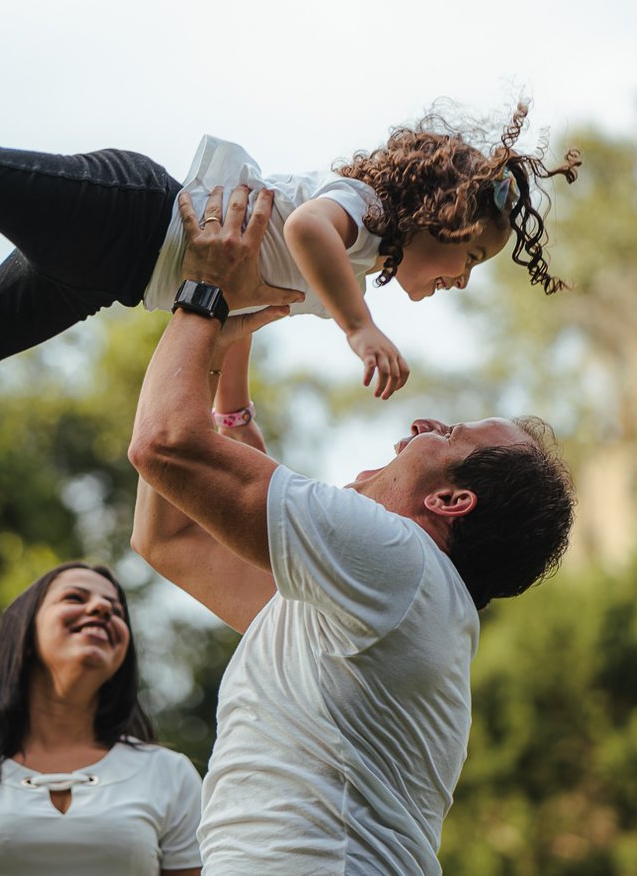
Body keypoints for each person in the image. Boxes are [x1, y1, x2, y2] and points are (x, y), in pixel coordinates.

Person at [0, 0, 580, 428]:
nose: (457, 282)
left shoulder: (334, 273)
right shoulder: (359, 213)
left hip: (115, 273)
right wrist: (358, 328)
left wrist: (234, 413)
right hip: (133, 212)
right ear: (443, 224)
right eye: (467, 264)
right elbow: (303, 229)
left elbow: (234, 320)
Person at [126, 186, 575, 875]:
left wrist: (207, 291)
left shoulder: (400, 563)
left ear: (452, 500)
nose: (422, 424)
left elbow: (162, 444)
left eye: (446, 433)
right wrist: (227, 336)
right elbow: (176, 536)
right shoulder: (385, 604)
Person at [0, 562, 203, 876]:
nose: (102, 609)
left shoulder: (171, 776)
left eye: (116, 610)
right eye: (75, 597)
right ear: (24, 634)